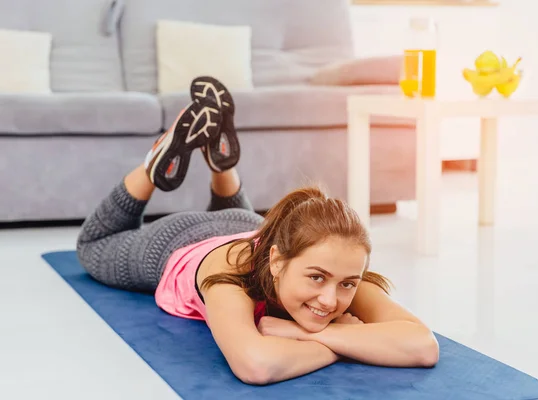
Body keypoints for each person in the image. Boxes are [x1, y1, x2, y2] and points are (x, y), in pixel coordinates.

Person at [76, 76, 439, 386]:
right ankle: (154, 162)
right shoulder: (228, 278)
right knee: (94, 243)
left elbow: (423, 346)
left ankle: (222, 162)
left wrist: (306, 334)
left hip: (249, 226)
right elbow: (256, 364)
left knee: (246, 221)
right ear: (277, 261)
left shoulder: (336, 262)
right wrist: (349, 339)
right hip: (182, 239)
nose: (330, 300)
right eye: (316, 278)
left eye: (347, 283)